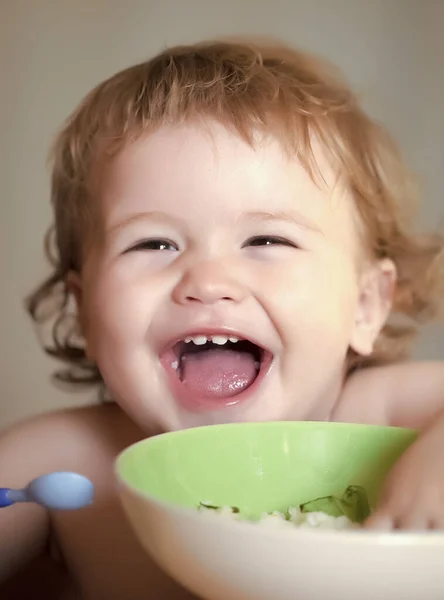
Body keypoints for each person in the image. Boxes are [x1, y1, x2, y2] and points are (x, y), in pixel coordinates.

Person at [1, 37, 443, 599]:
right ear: (85, 310)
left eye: (265, 238)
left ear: (365, 306)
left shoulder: (384, 419)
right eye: (154, 244)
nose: (208, 282)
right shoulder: (63, 465)